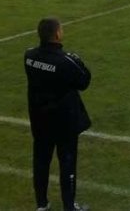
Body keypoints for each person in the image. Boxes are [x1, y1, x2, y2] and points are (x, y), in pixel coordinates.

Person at [25, 17, 92, 211]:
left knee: (41, 161)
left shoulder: (29, 56)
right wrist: (77, 59)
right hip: (64, 121)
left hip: (39, 119)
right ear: (57, 34)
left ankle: (42, 204)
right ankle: (69, 206)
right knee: (67, 163)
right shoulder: (65, 61)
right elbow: (84, 81)